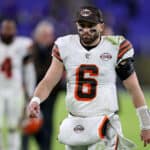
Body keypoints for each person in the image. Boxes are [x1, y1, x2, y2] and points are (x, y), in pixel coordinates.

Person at [27, 6, 150, 150]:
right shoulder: (65, 45)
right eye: (82, 25)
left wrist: (146, 124)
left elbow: (133, 88)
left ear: (101, 26)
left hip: (105, 121)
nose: (86, 29)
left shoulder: (115, 46)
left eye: (90, 25)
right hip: (75, 123)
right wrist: (36, 99)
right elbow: (48, 82)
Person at [22, 21, 65, 150]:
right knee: (26, 130)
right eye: (45, 35)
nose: (48, 38)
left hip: (49, 97)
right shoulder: (29, 50)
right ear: (37, 35)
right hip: (29, 96)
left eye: (50, 35)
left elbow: (57, 77)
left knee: (46, 131)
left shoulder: (56, 51)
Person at [0, 19, 36, 150]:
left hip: (15, 90)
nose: (8, 31)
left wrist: (30, 94)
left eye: (11, 29)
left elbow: (29, 72)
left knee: (13, 126)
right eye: (5, 28)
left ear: (15, 31)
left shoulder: (23, 45)